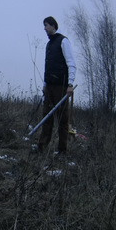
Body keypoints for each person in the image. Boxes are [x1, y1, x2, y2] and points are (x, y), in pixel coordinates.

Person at [37, 16, 76, 154]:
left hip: (61, 86)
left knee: (62, 119)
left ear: (53, 25)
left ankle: (62, 150)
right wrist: (44, 84)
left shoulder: (63, 41)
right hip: (49, 87)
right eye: (44, 25)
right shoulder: (49, 45)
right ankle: (41, 147)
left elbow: (71, 63)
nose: (45, 28)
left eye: (46, 25)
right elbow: (47, 66)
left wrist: (70, 84)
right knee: (46, 117)